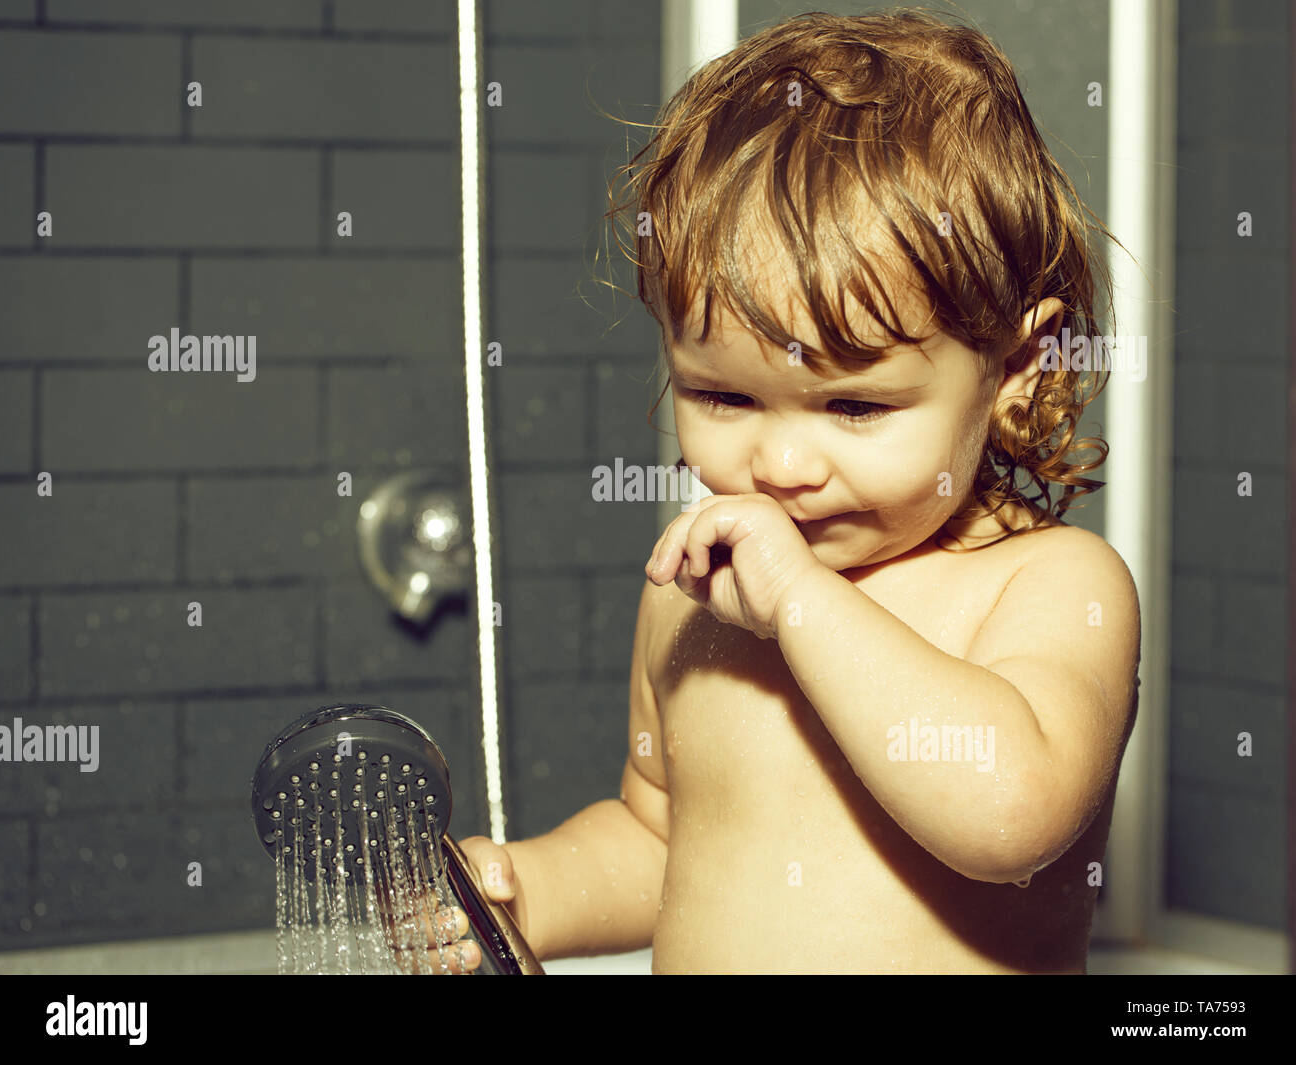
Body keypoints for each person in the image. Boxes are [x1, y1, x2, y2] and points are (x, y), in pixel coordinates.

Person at [436, 8, 1141, 974]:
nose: (781, 466)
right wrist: (528, 892)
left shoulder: (1057, 584)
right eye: (724, 394)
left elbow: (1011, 812)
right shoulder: (688, 598)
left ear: (1015, 369)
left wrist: (806, 605)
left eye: (854, 408)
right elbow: (656, 840)